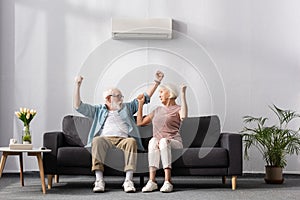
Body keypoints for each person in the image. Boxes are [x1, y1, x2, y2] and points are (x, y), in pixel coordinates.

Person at [73, 70, 164, 193]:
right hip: (105, 139)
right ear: (108, 98)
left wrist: (157, 82)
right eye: (119, 96)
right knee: (97, 140)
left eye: (122, 96)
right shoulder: (98, 110)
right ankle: (99, 181)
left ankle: (128, 180)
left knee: (131, 141)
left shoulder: (127, 107)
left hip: (123, 140)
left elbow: (145, 97)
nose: (121, 98)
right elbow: (78, 106)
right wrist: (78, 85)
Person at [137, 83, 188, 193]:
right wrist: (140, 104)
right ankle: (152, 181)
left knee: (164, 141)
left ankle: (168, 181)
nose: (159, 95)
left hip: (174, 142)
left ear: (169, 94)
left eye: (161, 92)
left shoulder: (178, 109)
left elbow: (183, 116)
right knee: (153, 141)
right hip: (158, 143)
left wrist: (183, 94)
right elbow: (140, 122)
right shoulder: (157, 110)